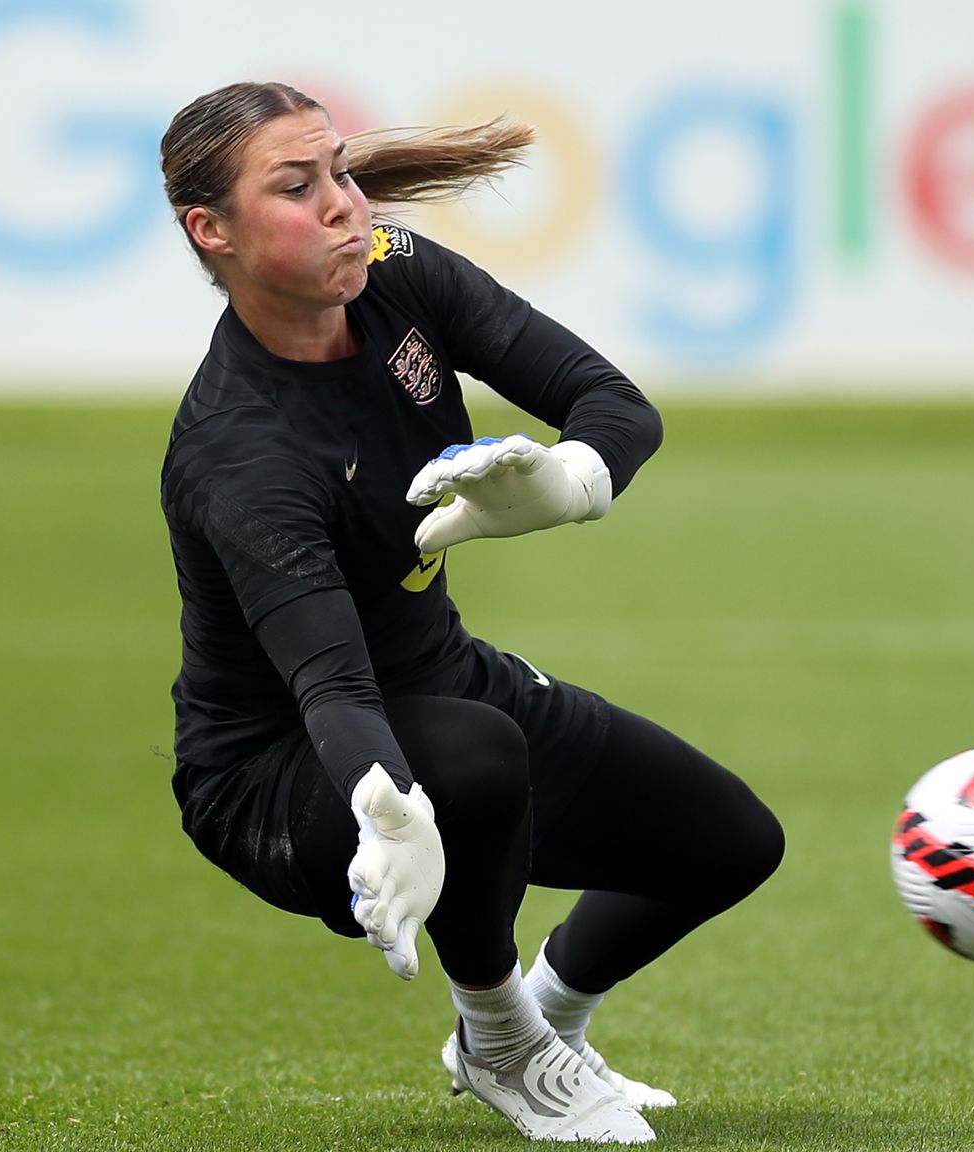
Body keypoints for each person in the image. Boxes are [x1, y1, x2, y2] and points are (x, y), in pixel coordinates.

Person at [156, 81, 785, 1145]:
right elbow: (334, 687)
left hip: (443, 687)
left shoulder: (400, 275)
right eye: (297, 187)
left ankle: (550, 1022)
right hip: (275, 773)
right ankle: (503, 1045)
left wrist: (572, 482)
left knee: (728, 842)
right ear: (209, 231)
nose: (345, 206)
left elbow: (615, 404)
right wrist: (386, 805)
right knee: (474, 754)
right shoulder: (240, 453)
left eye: (342, 172)